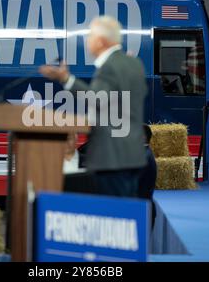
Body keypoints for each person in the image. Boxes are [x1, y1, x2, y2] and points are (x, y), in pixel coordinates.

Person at [40, 15, 148, 197]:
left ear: (101, 41)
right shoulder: (135, 63)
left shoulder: (109, 66)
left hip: (111, 159)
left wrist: (66, 79)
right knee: (126, 217)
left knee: (112, 216)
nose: (87, 40)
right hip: (133, 156)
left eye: (90, 36)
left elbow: (96, 98)